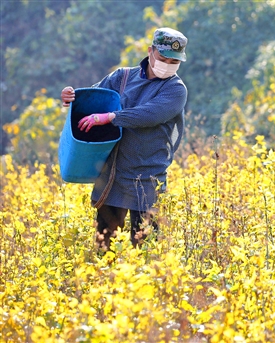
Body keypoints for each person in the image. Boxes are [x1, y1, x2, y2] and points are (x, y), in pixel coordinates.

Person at [61, 27, 188, 250]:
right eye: (162, 58)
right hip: (113, 176)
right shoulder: (123, 77)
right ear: (150, 51)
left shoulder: (176, 89)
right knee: (106, 247)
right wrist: (71, 97)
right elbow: (92, 98)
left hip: (149, 177)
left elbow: (150, 114)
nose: (167, 65)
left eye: (173, 62)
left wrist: (111, 117)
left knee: (146, 248)